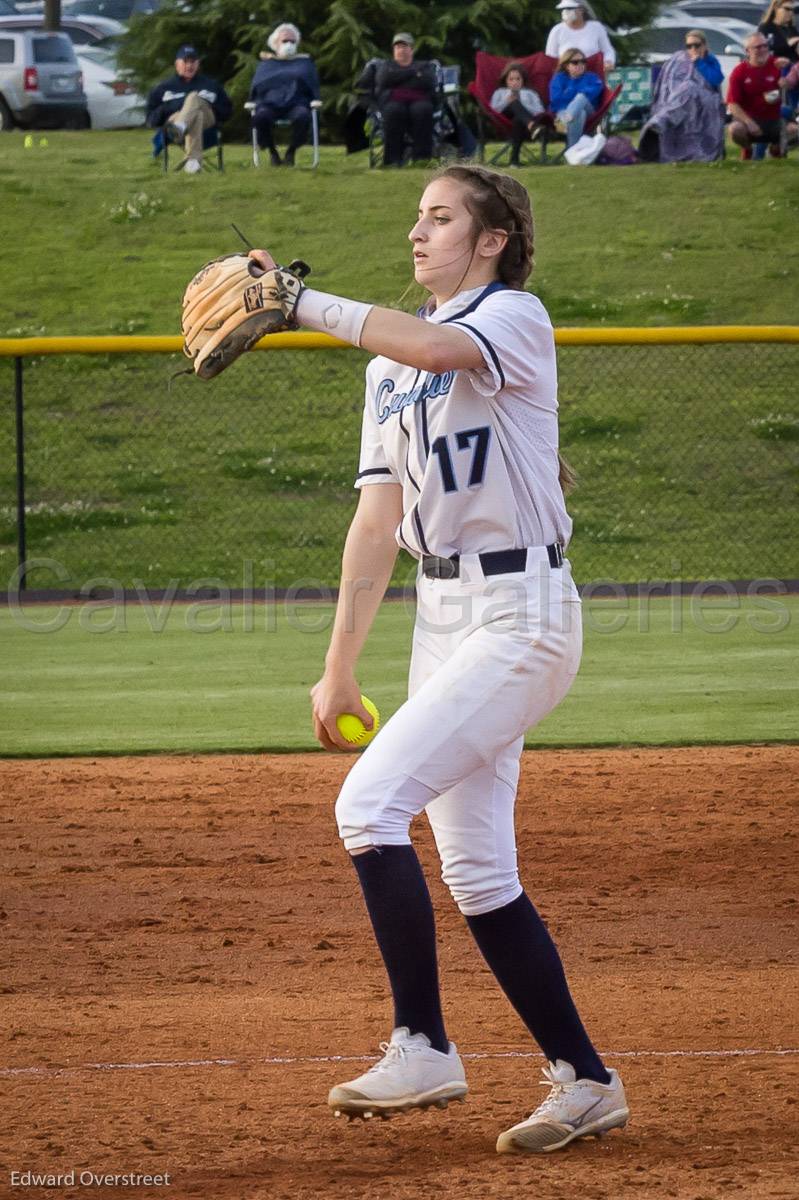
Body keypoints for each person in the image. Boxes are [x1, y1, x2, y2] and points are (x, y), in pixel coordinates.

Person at [248, 163, 629, 1155]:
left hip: (522, 613)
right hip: (444, 613)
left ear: (491, 238)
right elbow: (377, 522)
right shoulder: (387, 373)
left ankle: (422, 1040)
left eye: (440, 216)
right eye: (415, 217)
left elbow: (429, 339)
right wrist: (339, 666)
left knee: (368, 806)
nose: (417, 232)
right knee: (476, 867)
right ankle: (584, 1079)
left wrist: (298, 303)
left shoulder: (513, 318)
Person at [638, 32, 725, 162]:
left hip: (705, 97)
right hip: (680, 97)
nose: (693, 49)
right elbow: (669, 82)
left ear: (705, 46)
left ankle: (661, 121)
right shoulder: (679, 60)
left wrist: (700, 63)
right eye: (689, 46)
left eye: (697, 45)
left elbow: (716, 79)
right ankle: (661, 124)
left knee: (689, 88)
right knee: (686, 90)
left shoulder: (711, 60)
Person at [353, 32, 437, 166]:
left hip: (420, 101)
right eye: (397, 47)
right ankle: (392, 159)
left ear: (412, 49)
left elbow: (428, 82)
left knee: (423, 110)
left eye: (404, 47)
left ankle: (421, 158)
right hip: (392, 102)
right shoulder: (386, 65)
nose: (400, 50)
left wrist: (398, 78)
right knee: (394, 111)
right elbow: (384, 79)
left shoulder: (425, 65)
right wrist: (413, 74)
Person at [146, 45, 232, 175]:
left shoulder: (211, 85)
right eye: (185, 61)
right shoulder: (163, 87)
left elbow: (227, 111)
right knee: (197, 115)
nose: (189, 65)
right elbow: (151, 119)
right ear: (177, 64)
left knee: (194, 98)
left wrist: (206, 105)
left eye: (193, 62)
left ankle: (181, 127)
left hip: (208, 123)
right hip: (173, 121)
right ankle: (193, 162)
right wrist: (170, 107)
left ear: (198, 64)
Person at [249, 22, 321, 167]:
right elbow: (257, 87)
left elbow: (312, 86)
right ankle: (272, 151)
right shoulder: (266, 64)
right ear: (275, 43)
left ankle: (291, 151)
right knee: (260, 117)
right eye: (285, 40)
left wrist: (313, 99)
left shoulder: (305, 63)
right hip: (269, 104)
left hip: (296, 104)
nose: (289, 44)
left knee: (303, 116)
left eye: (292, 41)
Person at [727, 32, 785, 159]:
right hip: (751, 119)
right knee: (735, 129)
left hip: (774, 119)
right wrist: (749, 122)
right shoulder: (739, 72)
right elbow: (732, 104)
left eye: (765, 46)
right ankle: (748, 149)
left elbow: (793, 78)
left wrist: (787, 77)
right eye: (758, 47)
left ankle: (775, 149)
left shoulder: (778, 65)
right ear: (747, 51)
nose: (763, 50)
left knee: (794, 130)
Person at [490, 62, 546, 165]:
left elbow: (540, 111)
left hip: (522, 122)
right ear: (506, 80)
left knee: (518, 120)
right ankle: (532, 126)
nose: (515, 82)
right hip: (504, 117)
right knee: (513, 102)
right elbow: (493, 110)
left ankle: (514, 161)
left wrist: (522, 103)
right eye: (511, 79)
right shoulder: (499, 92)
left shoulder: (530, 93)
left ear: (523, 80)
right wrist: (507, 101)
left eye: (518, 79)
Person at [549, 48, 604, 147]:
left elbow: (594, 92)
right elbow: (556, 100)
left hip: (589, 111)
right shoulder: (559, 78)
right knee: (580, 113)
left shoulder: (592, 77)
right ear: (566, 66)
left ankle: (563, 122)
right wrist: (575, 93)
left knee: (582, 97)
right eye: (575, 62)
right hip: (563, 110)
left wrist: (570, 93)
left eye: (583, 61)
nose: (580, 65)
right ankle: (572, 150)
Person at [545, 1, 616, 71]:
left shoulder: (596, 27)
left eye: (570, 8)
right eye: (563, 8)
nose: (565, 11)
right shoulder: (557, 30)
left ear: (581, 10)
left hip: (593, 74)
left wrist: (608, 61)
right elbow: (550, 57)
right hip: (566, 76)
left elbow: (608, 50)